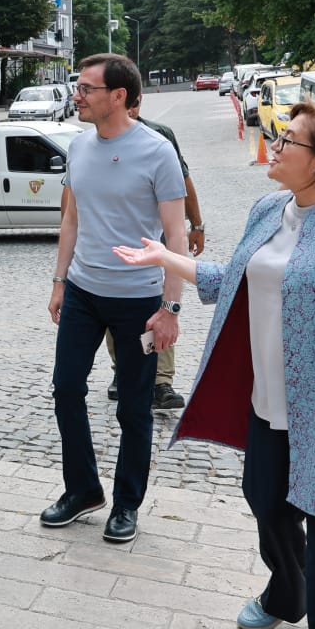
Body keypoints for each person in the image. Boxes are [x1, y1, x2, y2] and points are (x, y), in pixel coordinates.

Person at [114, 102, 315, 629]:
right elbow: (238, 280)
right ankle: (285, 593)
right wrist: (168, 258)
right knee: (267, 504)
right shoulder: (269, 209)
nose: (273, 144)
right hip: (271, 410)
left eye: (288, 139)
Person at [42, 54, 186, 544]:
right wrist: (60, 281)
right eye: (77, 87)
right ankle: (82, 490)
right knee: (66, 390)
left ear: (118, 96)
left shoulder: (156, 151)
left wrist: (170, 309)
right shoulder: (79, 147)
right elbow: (71, 220)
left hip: (138, 300)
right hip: (83, 291)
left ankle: (126, 503)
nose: (76, 95)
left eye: (86, 88)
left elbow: (175, 238)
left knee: (134, 407)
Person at [105, 94, 206, 410]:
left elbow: (184, 182)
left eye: (134, 105)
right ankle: (122, 370)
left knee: (164, 307)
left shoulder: (160, 137)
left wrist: (197, 224)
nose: (131, 112)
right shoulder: (99, 139)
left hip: (160, 243)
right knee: (115, 310)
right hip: (119, 245)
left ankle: (161, 381)